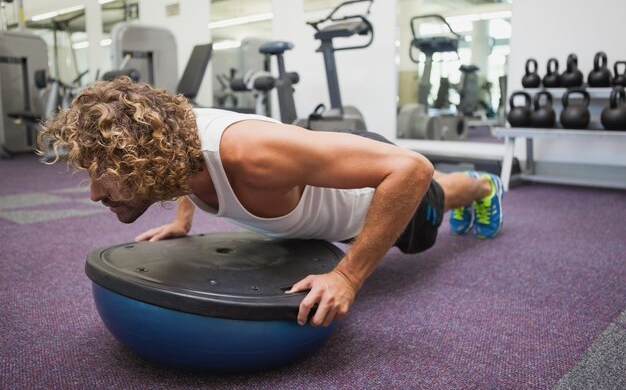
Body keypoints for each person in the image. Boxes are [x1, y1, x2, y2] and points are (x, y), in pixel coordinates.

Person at [38, 77, 503, 328]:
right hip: (322, 174)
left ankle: (485, 188)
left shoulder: (250, 154)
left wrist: (347, 275)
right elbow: (177, 176)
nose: (95, 194)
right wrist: (182, 220)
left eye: (105, 177)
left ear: (148, 160)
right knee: (412, 176)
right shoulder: (168, 146)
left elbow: (410, 169)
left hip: (367, 200)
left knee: (437, 195)